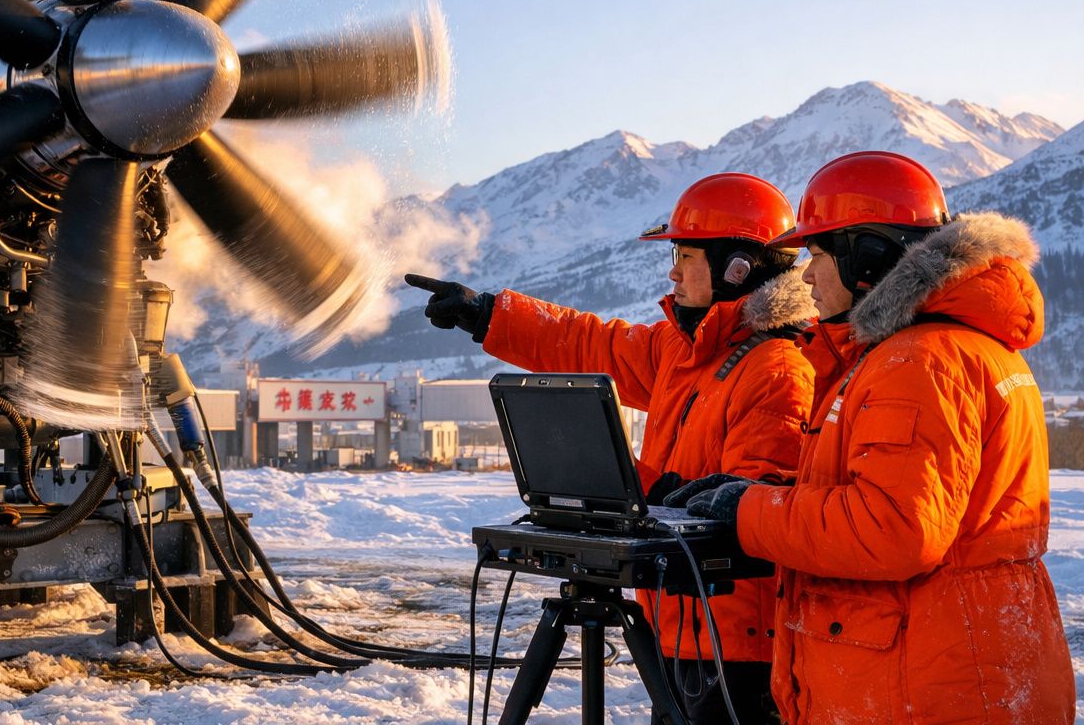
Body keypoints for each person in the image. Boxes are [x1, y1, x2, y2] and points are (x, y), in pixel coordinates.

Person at [667, 151, 1075, 724]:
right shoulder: (940, 348)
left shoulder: (919, 361)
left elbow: (894, 528)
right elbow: (887, 492)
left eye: (816, 254)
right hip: (957, 664)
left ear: (868, 257)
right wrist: (766, 492)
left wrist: (748, 511)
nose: (804, 275)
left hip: (927, 687)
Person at [408, 172, 815, 725]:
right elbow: (587, 340)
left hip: (734, 640)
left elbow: (749, 509)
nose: (672, 270)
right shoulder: (683, 349)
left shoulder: (777, 369)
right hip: (674, 622)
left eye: (686, 254)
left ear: (735, 265)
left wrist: (633, 485)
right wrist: (487, 314)